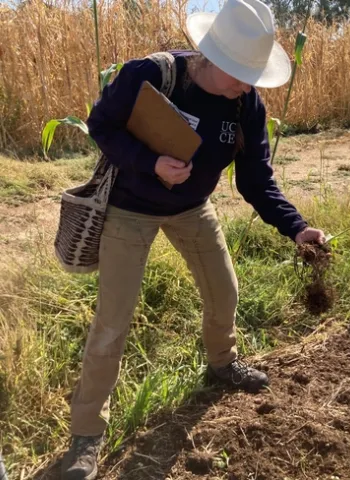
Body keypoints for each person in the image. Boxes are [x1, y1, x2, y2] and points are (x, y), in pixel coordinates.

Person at [60, 0, 326, 478]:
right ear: (213, 57)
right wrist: (150, 162)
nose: (247, 85)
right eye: (241, 73)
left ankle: (222, 363)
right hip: (130, 208)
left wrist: (296, 226)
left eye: (253, 75)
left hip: (192, 208)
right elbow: (101, 125)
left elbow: (256, 180)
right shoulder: (151, 75)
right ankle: (86, 434)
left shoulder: (245, 104)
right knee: (113, 321)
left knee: (224, 292)